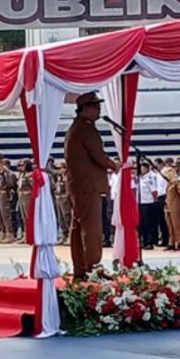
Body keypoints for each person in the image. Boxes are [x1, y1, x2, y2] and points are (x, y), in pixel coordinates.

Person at [63, 92, 120, 277]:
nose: (99, 110)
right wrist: (115, 165)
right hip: (88, 186)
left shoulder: (76, 127)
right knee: (92, 229)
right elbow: (99, 155)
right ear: (85, 108)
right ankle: (93, 268)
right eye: (95, 106)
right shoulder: (86, 129)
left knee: (79, 227)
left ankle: (81, 268)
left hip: (79, 185)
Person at [163, 167, 180, 251]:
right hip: (168, 206)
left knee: (177, 225)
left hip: (175, 206)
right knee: (170, 225)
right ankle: (171, 242)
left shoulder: (177, 181)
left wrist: (178, 202)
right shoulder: (169, 183)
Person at [139, 161, 159, 250]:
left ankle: (150, 242)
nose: (142, 170)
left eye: (143, 168)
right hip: (141, 202)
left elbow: (154, 191)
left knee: (148, 224)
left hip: (148, 203)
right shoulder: (140, 178)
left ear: (147, 169)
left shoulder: (150, 178)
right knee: (142, 224)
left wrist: (155, 202)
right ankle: (144, 241)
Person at [53, 161, 72, 245]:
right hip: (58, 198)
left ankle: (70, 236)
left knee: (66, 217)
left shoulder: (68, 177)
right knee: (60, 218)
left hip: (65, 198)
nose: (58, 170)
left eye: (60, 168)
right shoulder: (58, 177)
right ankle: (64, 235)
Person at [16, 159, 34, 244]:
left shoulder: (30, 175)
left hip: (27, 196)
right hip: (21, 196)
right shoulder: (21, 174)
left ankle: (31, 234)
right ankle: (25, 234)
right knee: (23, 217)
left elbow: (33, 186)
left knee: (28, 216)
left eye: (23, 165)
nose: (21, 167)